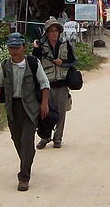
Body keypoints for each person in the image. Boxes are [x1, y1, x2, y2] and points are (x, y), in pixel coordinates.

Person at [0, 32, 51, 192]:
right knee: (17, 139)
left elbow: (44, 83)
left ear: (23, 47)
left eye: (17, 47)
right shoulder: (4, 66)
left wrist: (44, 103)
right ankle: (27, 159)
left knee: (26, 140)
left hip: (31, 109)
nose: (14, 50)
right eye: (11, 47)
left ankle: (24, 177)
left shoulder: (33, 63)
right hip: (13, 108)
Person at [32, 16, 76, 150]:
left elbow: (73, 61)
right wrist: (36, 47)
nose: (54, 33)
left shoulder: (65, 44)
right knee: (45, 113)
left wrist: (63, 63)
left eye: (56, 30)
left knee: (61, 113)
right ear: (47, 32)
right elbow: (34, 62)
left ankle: (58, 138)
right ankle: (45, 138)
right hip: (47, 86)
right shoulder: (40, 46)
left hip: (62, 84)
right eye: (51, 31)